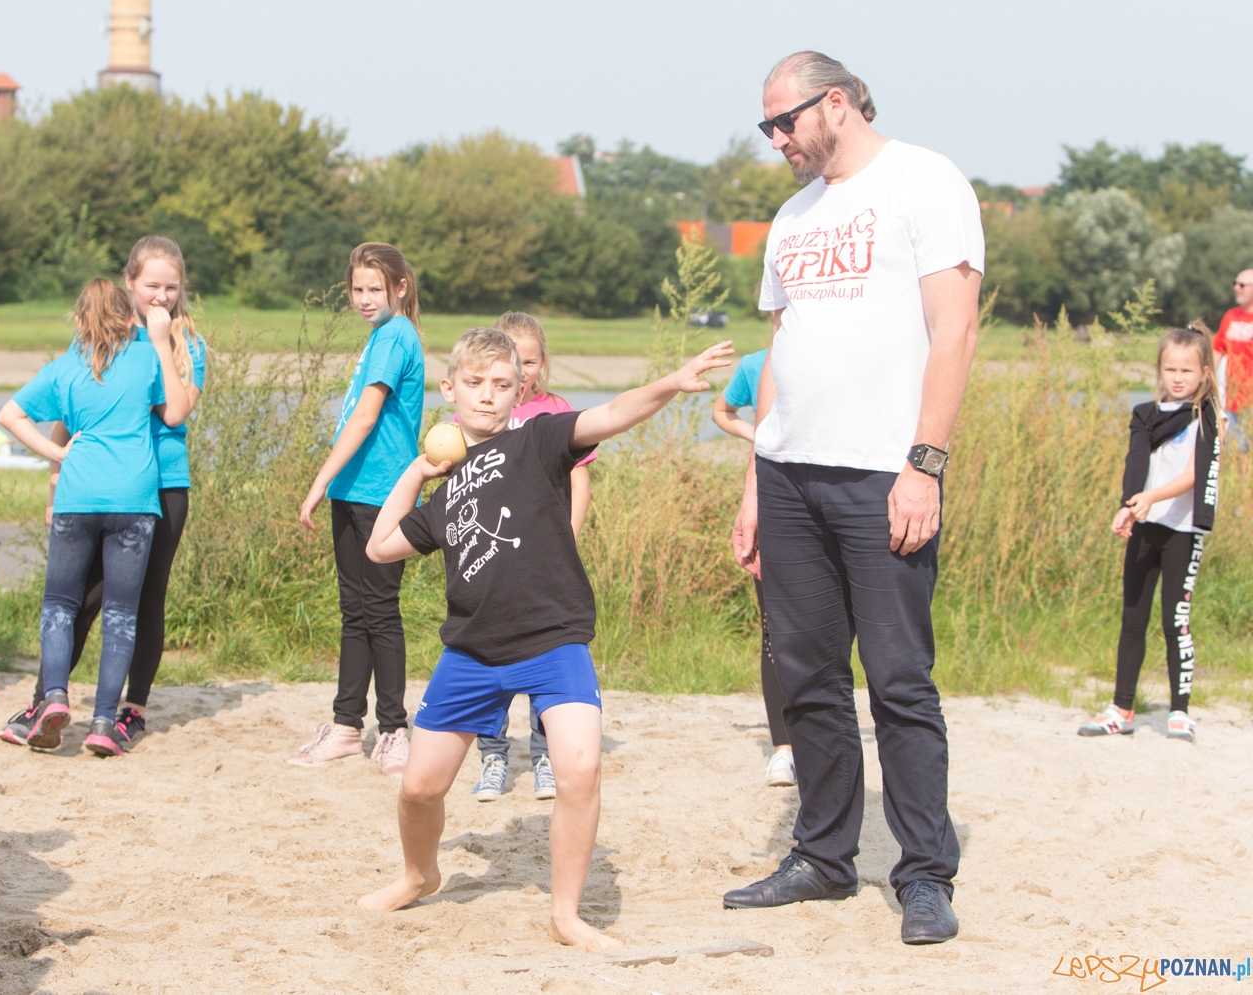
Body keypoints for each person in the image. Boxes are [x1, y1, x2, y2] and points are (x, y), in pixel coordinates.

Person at [356, 327, 732, 950]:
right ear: (449, 389)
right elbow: (379, 545)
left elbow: (611, 414)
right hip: (471, 651)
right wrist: (420, 471)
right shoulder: (445, 491)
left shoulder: (538, 439)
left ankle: (565, 915)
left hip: (554, 640)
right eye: (473, 384)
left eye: (502, 385)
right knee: (420, 788)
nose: (486, 396)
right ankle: (419, 875)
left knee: (580, 769)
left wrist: (668, 384)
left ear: (520, 390)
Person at [726, 52, 982, 946]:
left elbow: (954, 329)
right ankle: (825, 855)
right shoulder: (793, 217)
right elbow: (780, 351)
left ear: (835, 102)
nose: (776, 141)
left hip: (883, 472)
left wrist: (925, 463)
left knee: (901, 680)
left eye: (784, 122)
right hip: (790, 472)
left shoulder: (925, 179)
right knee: (808, 677)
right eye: (767, 128)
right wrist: (756, 478)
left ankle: (924, 873)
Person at [2, 237, 206, 751]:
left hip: (162, 484)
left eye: (171, 288)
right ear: (129, 284)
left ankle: (130, 709)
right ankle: (47, 698)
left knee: (145, 596)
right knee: (85, 597)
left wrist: (162, 342)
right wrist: (55, 482)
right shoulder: (101, 338)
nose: (161, 297)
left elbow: (177, 411)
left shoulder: (188, 344)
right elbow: (66, 416)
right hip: (97, 487)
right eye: (151, 286)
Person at [291, 243, 424, 775]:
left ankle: (393, 728)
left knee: (380, 611)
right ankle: (347, 726)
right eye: (357, 289)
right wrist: (336, 482)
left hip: (381, 493)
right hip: (354, 489)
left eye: (375, 288)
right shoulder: (379, 335)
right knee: (355, 612)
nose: (365, 299)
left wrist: (319, 480)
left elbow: (366, 417)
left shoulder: (396, 335)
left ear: (400, 288)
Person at [469, 312, 596, 804]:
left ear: (542, 364)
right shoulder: (485, 411)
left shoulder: (555, 411)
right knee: (491, 659)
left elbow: (579, 479)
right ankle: (494, 756)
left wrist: (567, 537)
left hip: (543, 563)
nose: (520, 373)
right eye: (511, 361)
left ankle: (544, 757)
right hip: (491, 562)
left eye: (529, 362)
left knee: (547, 658)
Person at [1081, 325, 1221, 743]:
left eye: (1187, 370)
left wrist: (1150, 497)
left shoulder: (1207, 416)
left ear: (1204, 374)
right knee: (1132, 618)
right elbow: (1135, 464)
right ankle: (1121, 708)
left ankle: (1180, 710)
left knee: (1174, 620)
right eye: (1170, 368)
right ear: (1159, 370)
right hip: (1145, 525)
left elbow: (1195, 475)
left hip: (1182, 530)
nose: (1178, 377)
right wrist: (1129, 507)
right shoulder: (1144, 414)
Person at [710, 347, 795, 788]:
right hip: (771, 497)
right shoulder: (756, 363)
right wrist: (758, 436)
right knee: (774, 631)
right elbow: (721, 410)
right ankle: (784, 749)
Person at [1211, 268, 1253, 441]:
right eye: (1235, 284)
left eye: (1242, 285)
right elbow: (1217, 349)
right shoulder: (1231, 316)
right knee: (1233, 447)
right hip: (1232, 398)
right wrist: (1207, 380)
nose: (1236, 288)